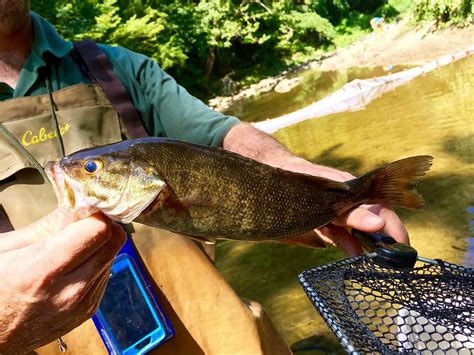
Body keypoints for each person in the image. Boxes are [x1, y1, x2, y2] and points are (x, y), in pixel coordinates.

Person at [0, 2, 409, 354]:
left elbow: (218, 135)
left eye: (90, 168)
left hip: (213, 332)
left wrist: (297, 174)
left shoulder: (112, 67)